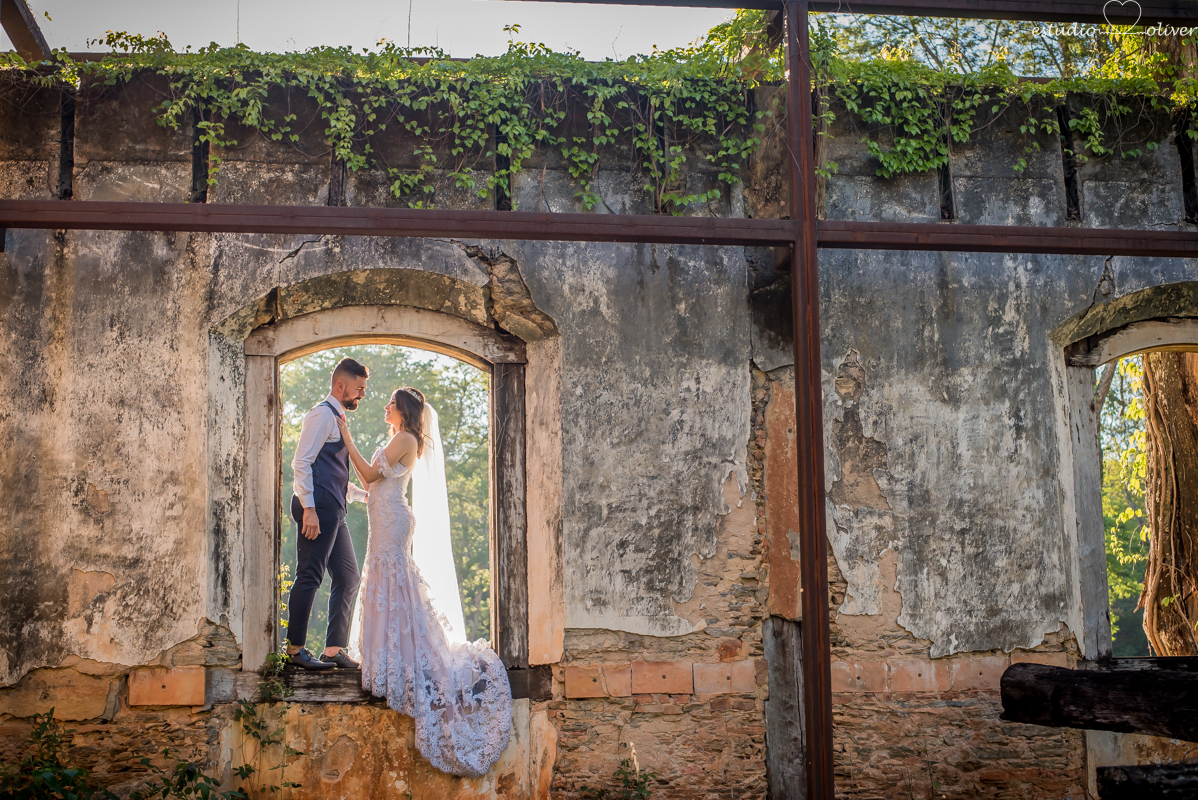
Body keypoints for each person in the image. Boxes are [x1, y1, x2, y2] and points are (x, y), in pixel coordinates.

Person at [336, 386, 511, 777]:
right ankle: (386, 658)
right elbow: (376, 486)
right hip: (386, 518)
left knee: (393, 581)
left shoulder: (405, 438)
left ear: (403, 409)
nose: (385, 406)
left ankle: (401, 659)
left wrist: (346, 437)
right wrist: (356, 494)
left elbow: (371, 473)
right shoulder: (399, 438)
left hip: (393, 522)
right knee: (386, 583)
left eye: (391, 402)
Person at [284, 357, 370, 671]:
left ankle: (333, 650)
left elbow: (337, 477)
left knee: (348, 576)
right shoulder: (322, 415)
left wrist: (366, 497)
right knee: (310, 574)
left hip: (333, 508)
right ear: (340, 385)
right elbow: (301, 463)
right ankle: (295, 651)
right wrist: (308, 509)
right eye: (359, 388)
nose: (362, 395)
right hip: (317, 507)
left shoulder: (339, 419)